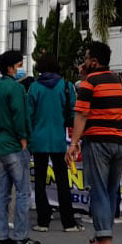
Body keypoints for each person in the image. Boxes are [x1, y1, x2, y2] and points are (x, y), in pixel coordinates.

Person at [66, 42, 122, 244]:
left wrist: (73, 143)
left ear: (94, 61)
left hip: (98, 142)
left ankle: (104, 240)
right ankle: (103, 234)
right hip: (119, 141)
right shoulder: (116, 80)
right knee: (110, 192)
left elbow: (82, 114)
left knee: (99, 191)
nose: (83, 62)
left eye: (86, 58)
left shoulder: (90, 83)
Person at [0, 50, 40, 244]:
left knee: (2, 191)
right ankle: (21, 236)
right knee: (23, 191)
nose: (20, 69)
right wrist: (24, 138)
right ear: (10, 68)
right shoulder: (16, 88)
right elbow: (20, 115)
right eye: (18, 65)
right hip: (14, 143)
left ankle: (0, 236)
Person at [27, 55, 80, 233]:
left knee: (40, 182)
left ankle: (43, 221)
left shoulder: (34, 87)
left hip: (38, 140)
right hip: (59, 140)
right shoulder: (66, 86)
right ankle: (68, 222)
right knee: (62, 181)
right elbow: (73, 113)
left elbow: (29, 114)